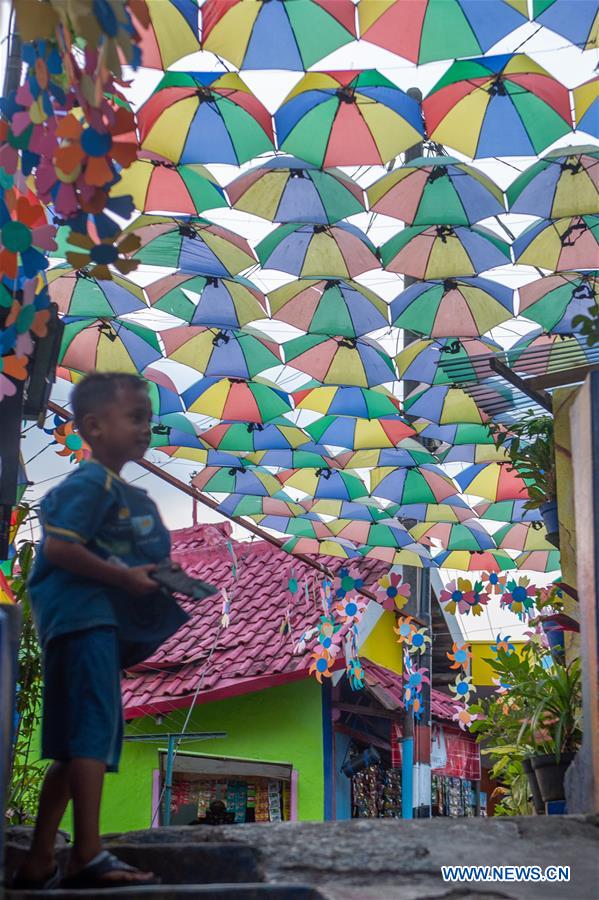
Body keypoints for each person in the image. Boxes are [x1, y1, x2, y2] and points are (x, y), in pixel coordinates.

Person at [14, 372, 189, 890]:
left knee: (76, 745)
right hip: (82, 621)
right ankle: (88, 854)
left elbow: (123, 554)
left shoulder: (123, 495)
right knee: (90, 735)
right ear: (92, 425)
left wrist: (161, 579)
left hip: (97, 626)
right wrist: (123, 577)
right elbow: (62, 550)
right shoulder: (86, 485)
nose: (145, 428)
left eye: (148, 420)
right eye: (135, 417)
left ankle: (40, 858)